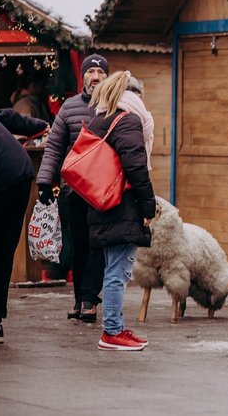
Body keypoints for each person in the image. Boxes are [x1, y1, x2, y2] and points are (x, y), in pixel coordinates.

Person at [36, 53, 109, 323]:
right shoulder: (68, 108)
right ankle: (80, 299)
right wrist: (45, 180)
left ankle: (90, 299)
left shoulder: (114, 106)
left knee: (97, 246)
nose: (95, 77)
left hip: (102, 192)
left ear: (106, 77)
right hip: (74, 190)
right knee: (78, 246)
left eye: (101, 73)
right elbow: (54, 147)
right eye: (91, 72)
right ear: (84, 77)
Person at [86, 71, 155, 351]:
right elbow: (136, 167)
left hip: (102, 202)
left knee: (113, 267)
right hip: (121, 205)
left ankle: (115, 327)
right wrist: (149, 206)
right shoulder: (127, 120)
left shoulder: (101, 118)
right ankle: (112, 332)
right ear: (133, 95)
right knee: (118, 269)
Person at [0, 109, 48, 343]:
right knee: (1, 250)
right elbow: (11, 117)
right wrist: (41, 125)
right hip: (21, 173)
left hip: (0, 179)